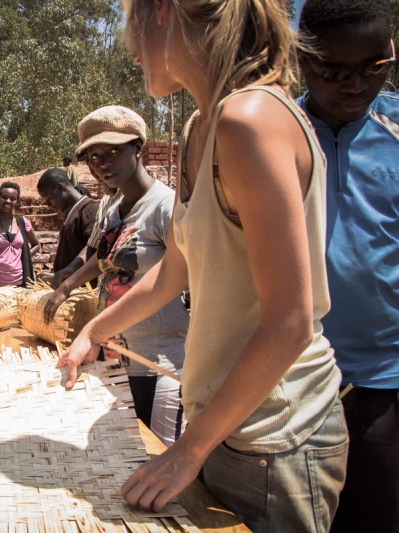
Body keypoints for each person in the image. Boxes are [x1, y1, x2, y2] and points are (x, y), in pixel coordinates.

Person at [58, 0, 347, 530]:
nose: (131, 48)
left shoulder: (250, 120)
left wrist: (187, 450)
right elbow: (176, 269)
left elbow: (289, 322)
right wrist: (95, 331)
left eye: (130, 26)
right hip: (226, 426)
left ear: (162, 11)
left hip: (277, 437)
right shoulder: (202, 127)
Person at [297, 1, 399, 530]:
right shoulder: (274, 136)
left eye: (374, 69)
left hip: (386, 380)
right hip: (300, 382)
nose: (356, 86)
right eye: (333, 72)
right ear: (302, 61)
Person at [57, 106, 190, 447]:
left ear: (138, 149)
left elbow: (180, 273)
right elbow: (102, 259)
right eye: (94, 156)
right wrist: (68, 283)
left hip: (160, 365)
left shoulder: (166, 207)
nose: (103, 163)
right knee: (127, 458)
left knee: (159, 459)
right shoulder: (113, 209)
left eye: (115, 151)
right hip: (116, 363)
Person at [36, 168, 100, 289]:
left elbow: (94, 250)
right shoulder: (72, 213)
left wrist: (68, 272)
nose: (48, 205)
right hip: (69, 290)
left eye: (48, 198)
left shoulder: (90, 209)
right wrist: (56, 275)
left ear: (60, 188)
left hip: (83, 293)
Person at [0, 182, 41, 287]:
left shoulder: (22, 222)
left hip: (21, 284)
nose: (8, 201)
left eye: (13, 198)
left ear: (18, 201)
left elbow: (37, 244)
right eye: (4, 197)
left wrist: (24, 257)